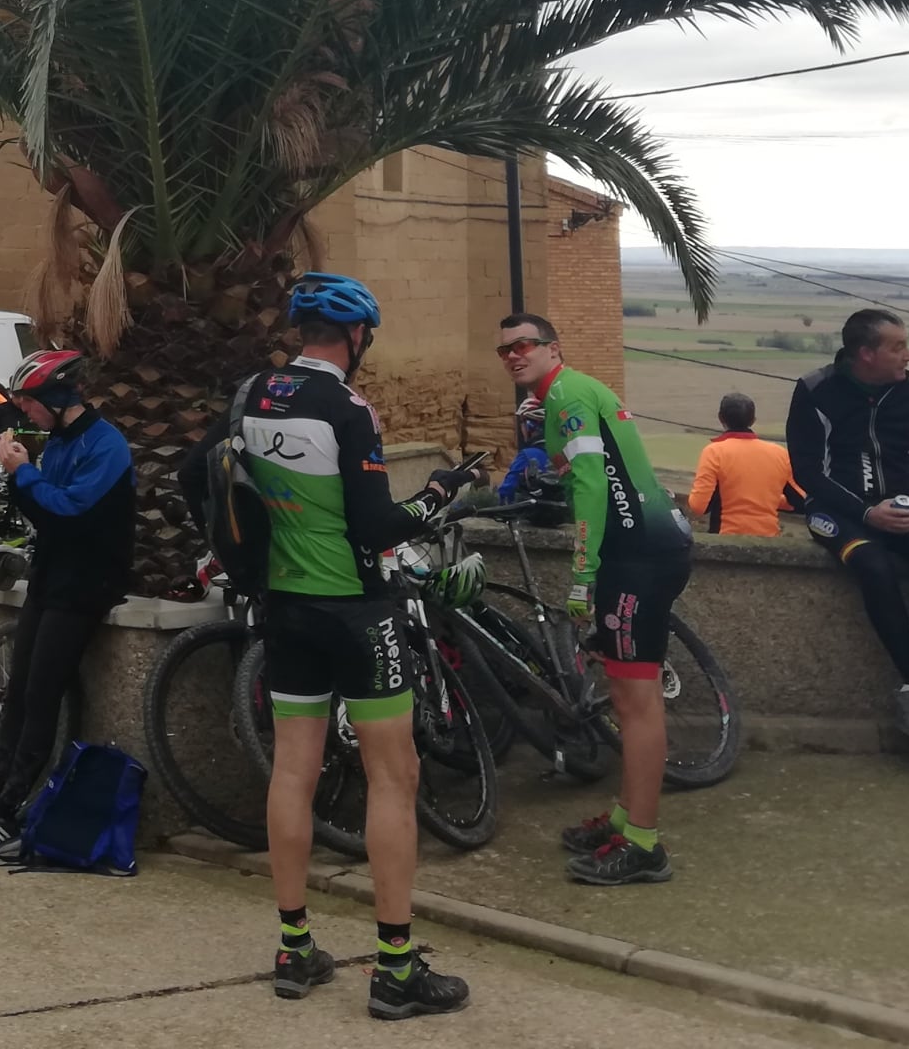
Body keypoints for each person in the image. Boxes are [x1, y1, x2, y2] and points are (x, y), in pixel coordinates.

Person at [239, 273, 470, 1019]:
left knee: (292, 772)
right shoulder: (346, 407)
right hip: (354, 612)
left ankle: (293, 948)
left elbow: (198, 475)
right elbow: (377, 527)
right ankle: (396, 968)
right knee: (393, 776)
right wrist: (436, 494)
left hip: (284, 607)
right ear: (356, 336)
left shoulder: (252, 394)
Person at [496, 312, 691, 887]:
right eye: (504, 349)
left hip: (637, 556)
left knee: (636, 703)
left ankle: (644, 845)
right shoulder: (563, 397)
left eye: (524, 345)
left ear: (553, 349)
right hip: (643, 550)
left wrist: (582, 573)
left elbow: (590, 484)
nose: (513, 355)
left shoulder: (568, 394)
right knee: (630, 697)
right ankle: (627, 818)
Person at [0, 352, 135, 861]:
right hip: (51, 575)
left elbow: (69, 512)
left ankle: (12, 812)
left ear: (58, 397)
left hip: (86, 582)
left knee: (42, 694)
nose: (22, 410)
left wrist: (23, 471)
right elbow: (42, 514)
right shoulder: (63, 440)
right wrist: (16, 472)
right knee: (20, 693)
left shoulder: (105, 444)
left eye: (29, 401)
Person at [787, 308, 909, 746]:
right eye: (898, 347)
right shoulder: (816, 390)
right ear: (866, 353)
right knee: (873, 565)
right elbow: (808, 471)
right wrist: (867, 513)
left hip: (906, 513)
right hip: (837, 514)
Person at [688, 392, 801, 538]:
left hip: (725, 539)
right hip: (769, 540)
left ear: (721, 418)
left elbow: (699, 506)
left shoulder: (714, 452)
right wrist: (767, 500)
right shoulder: (779, 453)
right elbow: (799, 501)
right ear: (753, 420)